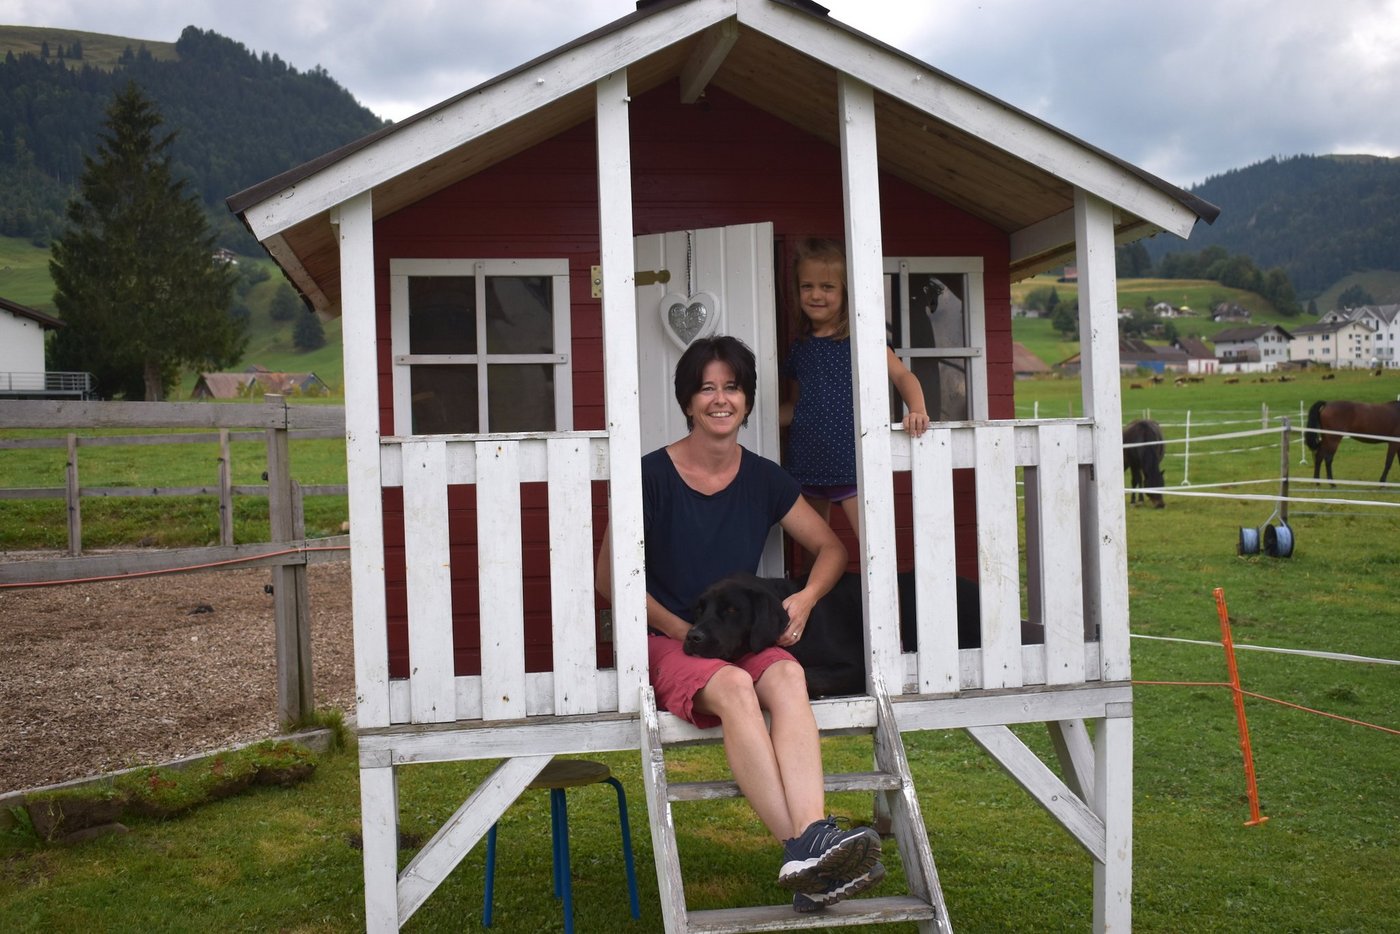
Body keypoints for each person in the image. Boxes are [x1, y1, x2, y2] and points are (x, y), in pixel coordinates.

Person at [595, 335, 885, 912]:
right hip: (666, 637)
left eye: (731, 387)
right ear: (687, 401)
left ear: (747, 400)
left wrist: (803, 601)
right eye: (706, 388)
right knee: (731, 685)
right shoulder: (649, 475)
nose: (720, 399)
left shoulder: (763, 478)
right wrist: (678, 630)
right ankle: (805, 849)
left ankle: (811, 842)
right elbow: (609, 578)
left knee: (788, 676)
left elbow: (831, 549)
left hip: (737, 636)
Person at [779, 237, 930, 545]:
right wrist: (750, 419)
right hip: (807, 464)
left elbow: (902, 375)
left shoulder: (863, 340)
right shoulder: (800, 348)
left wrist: (916, 409)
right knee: (815, 552)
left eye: (827, 287)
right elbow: (795, 406)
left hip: (852, 466)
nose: (816, 295)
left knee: (874, 548)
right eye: (807, 286)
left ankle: (884, 585)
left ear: (846, 292)